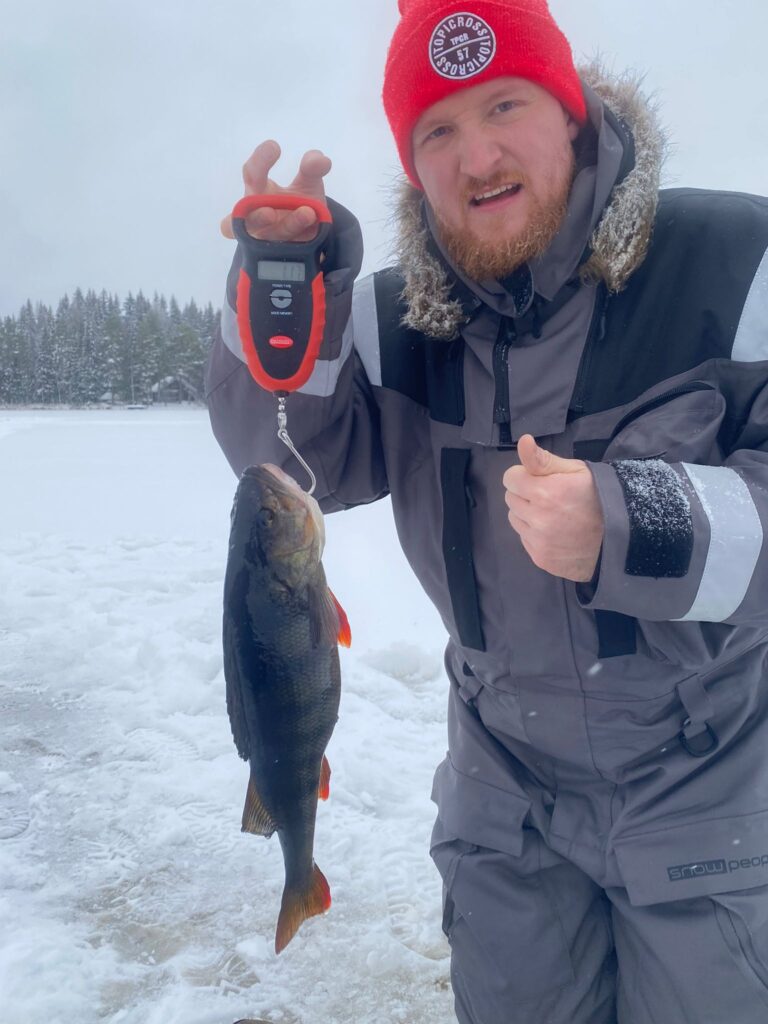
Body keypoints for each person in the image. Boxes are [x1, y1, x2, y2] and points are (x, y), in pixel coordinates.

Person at [206, 1, 768, 1020]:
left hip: (712, 791)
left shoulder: (738, 262)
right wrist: (282, 304)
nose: (477, 157)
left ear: (573, 111)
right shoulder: (390, 320)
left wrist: (634, 520)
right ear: (412, 166)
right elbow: (283, 462)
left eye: (505, 104)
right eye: (438, 130)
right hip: (502, 800)